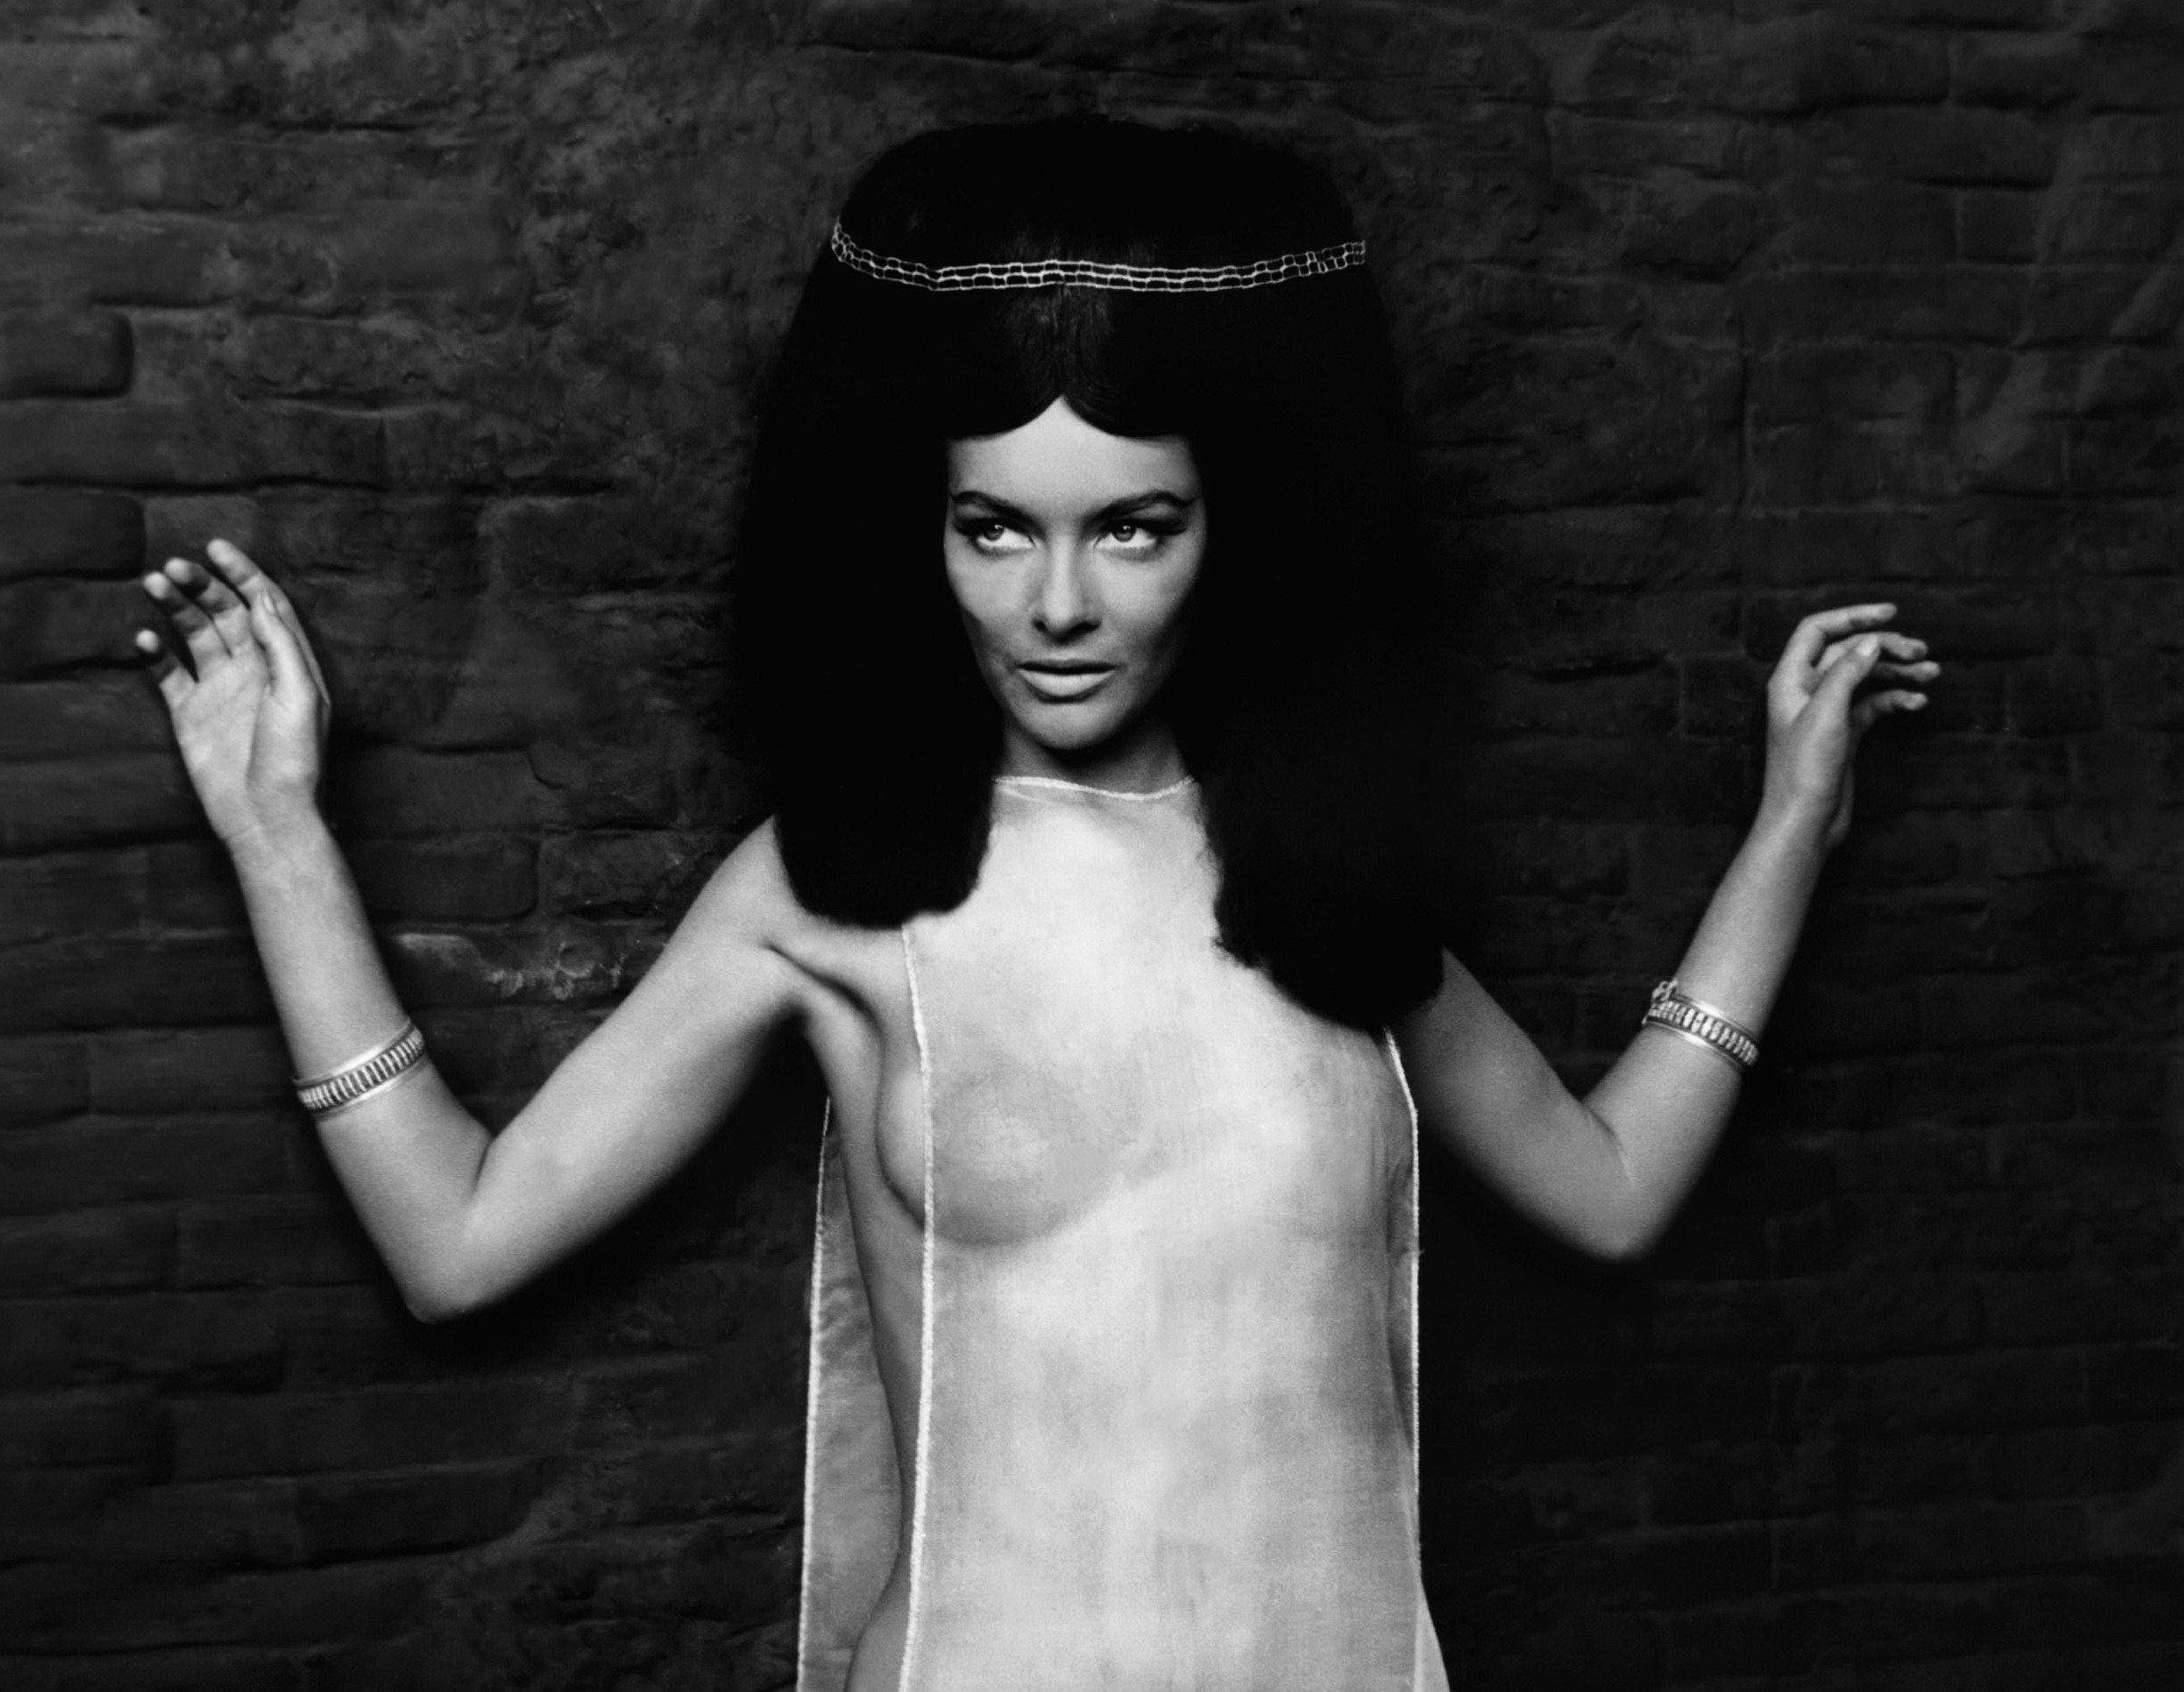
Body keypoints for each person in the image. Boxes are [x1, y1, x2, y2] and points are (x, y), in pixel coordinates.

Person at [132, 120, 1936, 1692]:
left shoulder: (1319, 880)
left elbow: (1609, 1194)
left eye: (1134, 527)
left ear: (1242, 529)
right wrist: (278, 830)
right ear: (908, 532)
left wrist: (1792, 824)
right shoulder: (827, 897)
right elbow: (457, 1246)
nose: (1056, 603)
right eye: (992, 527)